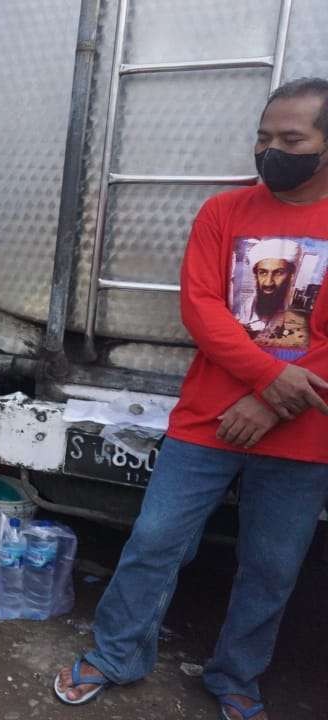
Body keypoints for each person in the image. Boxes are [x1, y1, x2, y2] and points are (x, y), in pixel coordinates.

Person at [53, 78, 328, 720]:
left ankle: (236, 675)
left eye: (291, 140)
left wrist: (269, 401)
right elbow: (201, 308)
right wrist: (266, 378)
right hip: (207, 420)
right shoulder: (224, 213)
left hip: (303, 432)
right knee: (154, 540)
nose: (270, 151)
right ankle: (117, 652)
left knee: (271, 567)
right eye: (264, 138)